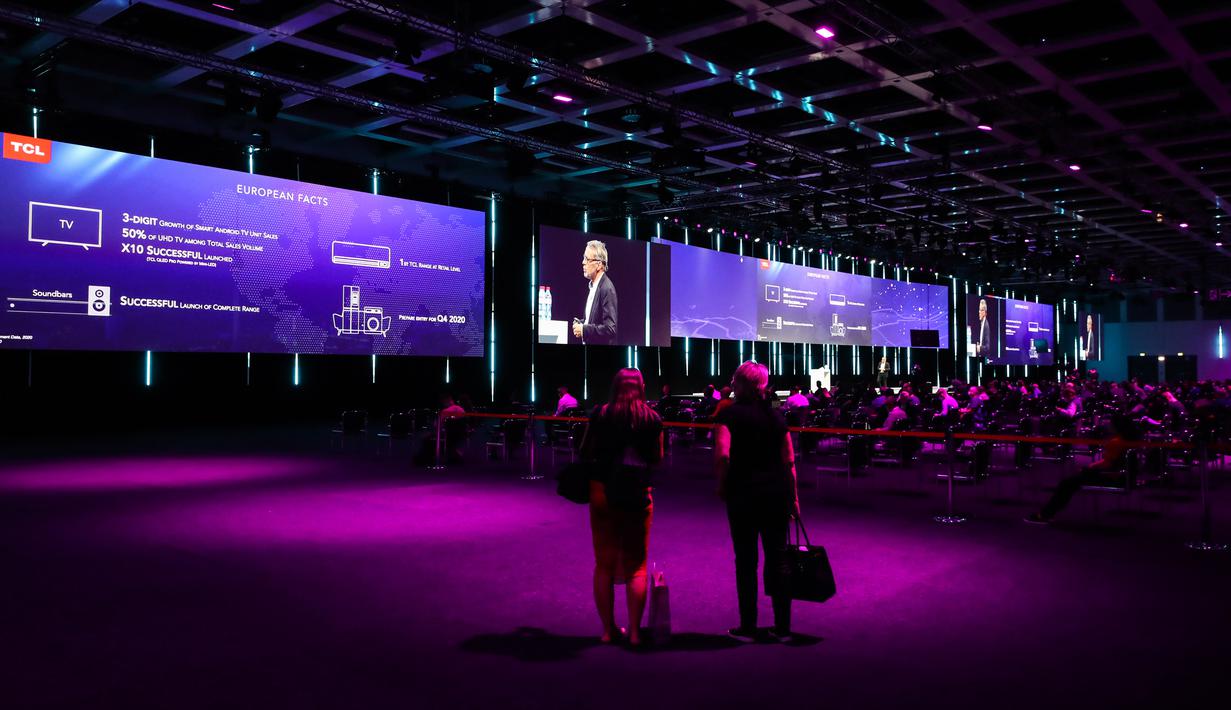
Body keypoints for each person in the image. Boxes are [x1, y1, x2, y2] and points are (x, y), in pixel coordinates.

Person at [714, 361, 800, 643]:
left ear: (738, 383)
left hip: (743, 495)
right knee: (778, 559)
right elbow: (789, 461)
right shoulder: (777, 417)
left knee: (746, 561)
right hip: (776, 495)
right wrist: (794, 498)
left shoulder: (729, 415)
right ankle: (782, 628)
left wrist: (723, 485)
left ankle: (748, 626)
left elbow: (723, 455)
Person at [579, 368, 663, 646]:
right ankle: (636, 633)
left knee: (603, 565)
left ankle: (608, 630)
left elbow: (585, 450)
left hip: (602, 490)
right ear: (641, 386)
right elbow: (657, 458)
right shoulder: (652, 418)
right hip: (638, 491)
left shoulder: (601, 413)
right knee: (636, 566)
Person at [1025, 415, 1138, 524]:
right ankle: (1047, 513)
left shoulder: (1116, 442)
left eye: (1111, 424)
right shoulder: (1130, 440)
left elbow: (1107, 464)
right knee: (1070, 481)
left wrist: (1090, 467)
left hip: (1111, 476)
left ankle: (1045, 514)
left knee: (1067, 483)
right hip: (1122, 476)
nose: (1108, 426)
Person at [572, 240, 618, 345]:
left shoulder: (607, 288)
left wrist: (585, 329)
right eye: (584, 258)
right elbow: (596, 322)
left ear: (599, 265)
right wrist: (583, 323)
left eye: (587, 259)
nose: (583, 262)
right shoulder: (593, 286)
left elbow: (610, 329)